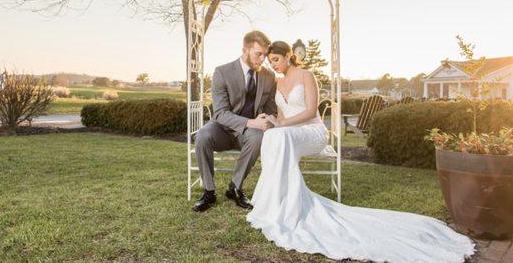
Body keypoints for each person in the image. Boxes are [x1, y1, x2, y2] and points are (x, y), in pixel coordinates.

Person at [246, 40, 475, 263]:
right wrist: (273, 120)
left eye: (275, 59)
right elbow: (284, 117)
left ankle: (284, 204)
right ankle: (276, 201)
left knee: (279, 134)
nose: (273, 64)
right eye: (270, 62)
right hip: (290, 132)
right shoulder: (278, 83)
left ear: (288, 56)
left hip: (312, 132)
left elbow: (309, 112)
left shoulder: (306, 76)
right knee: (272, 134)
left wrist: (283, 126)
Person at [192, 31, 277, 212]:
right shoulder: (222, 72)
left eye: (265, 55)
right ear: (245, 50)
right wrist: (253, 123)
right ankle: (209, 191)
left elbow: (271, 109)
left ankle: (235, 187)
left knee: (257, 138)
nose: (263, 59)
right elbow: (220, 113)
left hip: (247, 133)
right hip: (221, 129)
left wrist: (269, 120)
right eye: (258, 54)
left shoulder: (269, 77)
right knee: (202, 135)